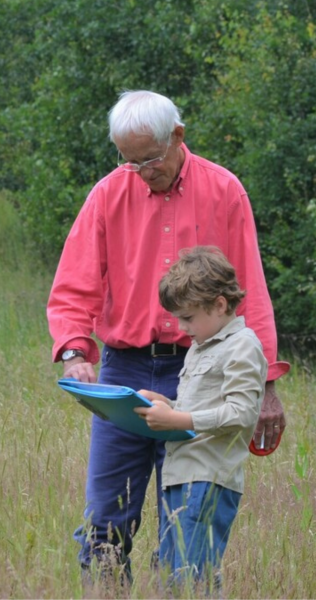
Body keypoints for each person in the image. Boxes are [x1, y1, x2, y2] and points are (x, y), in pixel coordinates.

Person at [47, 90, 289, 582]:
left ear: (177, 136)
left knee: (186, 520)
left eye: (150, 159)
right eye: (129, 161)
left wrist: (266, 386)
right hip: (124, 372)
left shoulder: (224, 189)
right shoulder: (109, 193)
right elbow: (74, 283)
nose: (140, 171)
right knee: (106, 518)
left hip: (203, 370)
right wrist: (75, 350)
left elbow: (252, 292)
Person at [134, 245, 268, 592]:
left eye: (188, 318)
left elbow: (241, 412)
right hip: (179, 476)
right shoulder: (200, 346)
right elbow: (202, 404)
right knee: (169, 576)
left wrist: (177, 420)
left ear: (220, 305)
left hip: (208, 479)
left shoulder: (243, 345)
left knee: (193, 581)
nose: (181, 328)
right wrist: (165, 403)